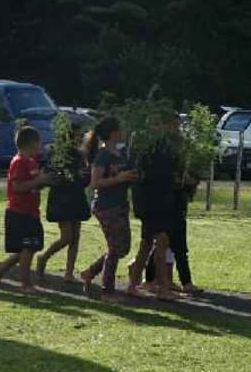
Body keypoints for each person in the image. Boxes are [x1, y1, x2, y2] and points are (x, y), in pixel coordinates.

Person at [79, 117, 139, 302]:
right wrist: (119, 179)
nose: (123, 131)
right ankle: (107, 291)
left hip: (120, 204)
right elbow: (95, 183)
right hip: (106, 206)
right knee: (115, 248)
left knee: (122, 248)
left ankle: (90, 272)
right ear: (113, 132)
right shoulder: (103, 155)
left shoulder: (120, 154)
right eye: (120, 128)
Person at [0, 126, 54, 294]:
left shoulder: (32, 161)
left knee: (31, 247)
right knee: (28, 248)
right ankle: (25, 284)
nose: (41, 146)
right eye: (39, 142)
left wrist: (45, 181)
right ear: (32, 143)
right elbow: (17, 186)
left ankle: (3, 267)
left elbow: (34, 183)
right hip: (19, 212)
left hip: (31, 211)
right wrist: (38, 181)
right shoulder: (18, 161)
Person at [128, 114, 182, 301]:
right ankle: (163, 288)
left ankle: (133, 284)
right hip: (152, 202)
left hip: (158, 200)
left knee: (147, 243)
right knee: (161, 240)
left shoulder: (161, 147)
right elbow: (151, 176)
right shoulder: (149, 149)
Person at [38, 123, 92, 283]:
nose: (77, 139)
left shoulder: (80, 154)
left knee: (76, 237)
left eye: (79, 136)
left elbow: (85, 177)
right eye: (74, 135)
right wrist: (75, 174)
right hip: (61, 198)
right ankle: (44, 257)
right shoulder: (56, 153)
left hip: (76, 196)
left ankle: (69, 272)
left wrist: (83, 176)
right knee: (67, 236)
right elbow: (52, 175)